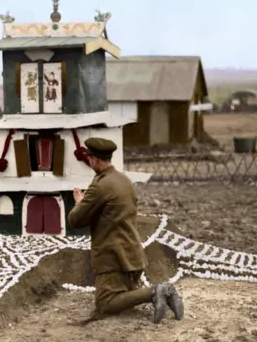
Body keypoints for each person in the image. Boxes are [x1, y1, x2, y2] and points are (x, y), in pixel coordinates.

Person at [68, 137, 184, 324]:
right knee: (124, 298)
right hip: (133, 256)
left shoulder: (100, 185)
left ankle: (157, 291)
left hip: (113, 259)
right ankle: (162, 293)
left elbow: (75, 220)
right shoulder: (124, 180)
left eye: (89, 158)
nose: (89, 162)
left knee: (106, 304)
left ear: (95, 159)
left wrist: (80, 204)